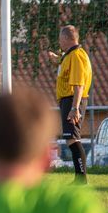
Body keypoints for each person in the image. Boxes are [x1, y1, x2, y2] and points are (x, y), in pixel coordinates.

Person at [41, 25, 93, 185]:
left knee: (72, 139)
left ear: (65, 38)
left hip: (72, 100)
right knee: (71, 138)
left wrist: (75, 108)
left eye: (60, 39)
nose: (59, 42)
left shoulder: (76, 56)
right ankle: (80, 178)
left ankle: (81, 179)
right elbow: (63, 65)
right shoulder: (69, 55)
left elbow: (79, 85)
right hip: (67, 100)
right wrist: (56, 59)